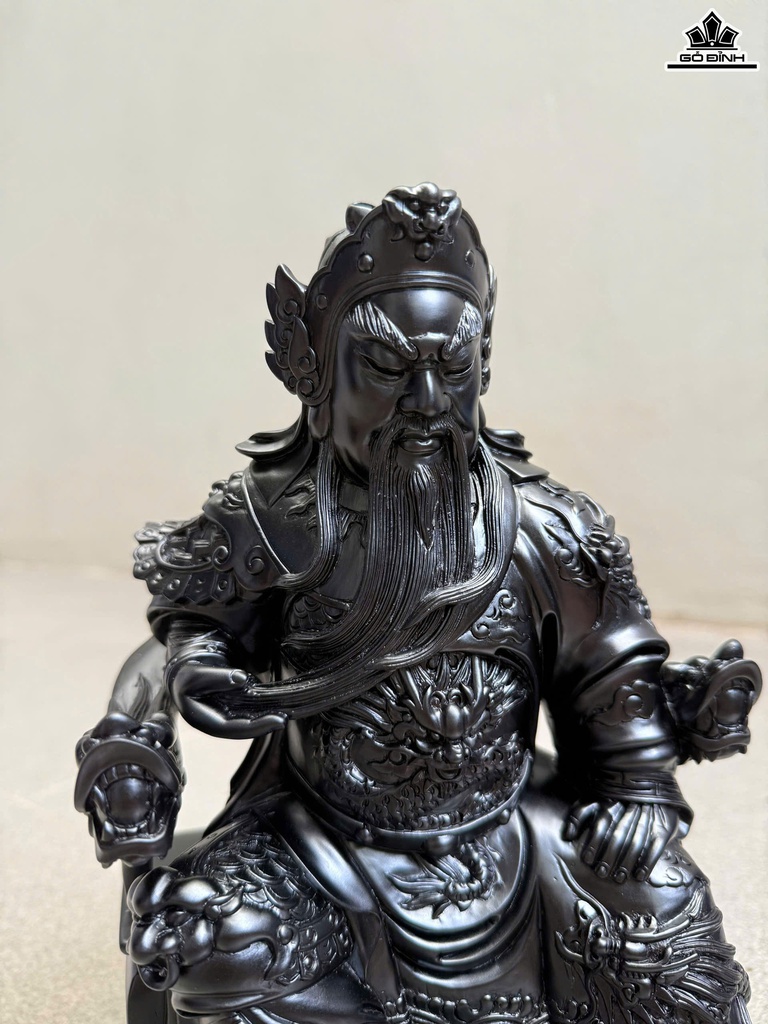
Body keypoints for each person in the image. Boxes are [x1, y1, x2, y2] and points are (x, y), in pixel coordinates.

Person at [76, 183, 761, 1024]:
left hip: (514, 833)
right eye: (388, 369)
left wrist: (636, 788)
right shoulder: (271, 519)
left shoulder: (547, 529)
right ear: (317, 374)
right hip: (319, 840)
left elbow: (607, 669)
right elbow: (178, 636)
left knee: (678, 949)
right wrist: (171, 692)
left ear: (484, 367)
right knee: (213, 951)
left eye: (453, 369)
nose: (429, 402)